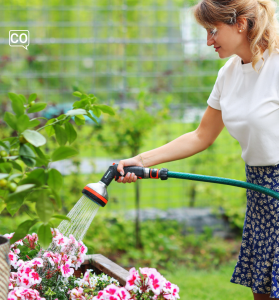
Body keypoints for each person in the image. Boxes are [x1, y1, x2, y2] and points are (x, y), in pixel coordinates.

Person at [115, 0, 279, 299]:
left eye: (213, 31)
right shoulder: (227, 75)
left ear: (240, 24)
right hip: (260, 192)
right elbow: (201, 135)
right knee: (265, 290)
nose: (208, 41)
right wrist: (139, 160)